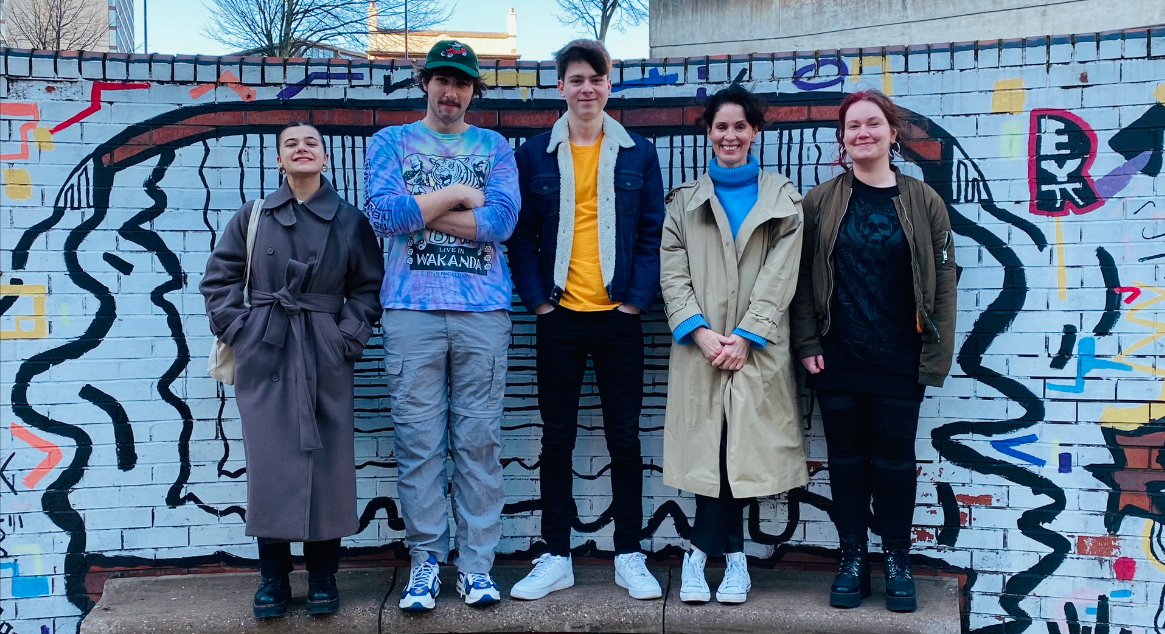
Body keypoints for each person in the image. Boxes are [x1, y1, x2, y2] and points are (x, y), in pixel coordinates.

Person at [201, 122, 385, 619]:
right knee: (269, 468)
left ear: (325, 158)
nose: (301, 149)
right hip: (267, 352)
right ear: (279, 160)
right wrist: (242, 331)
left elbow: (369, 288)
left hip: (324, 353)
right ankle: (273, 580)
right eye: (291, 144)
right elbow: (219, 279)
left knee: (328, 467)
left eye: (311, 143)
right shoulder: (252, 215)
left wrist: (345, 338)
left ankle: (325, 577)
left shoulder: (349, 220)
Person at [506, 39, 666, 601]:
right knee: (557, 438)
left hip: (620, 318)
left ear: (609, 83)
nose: (586, 89)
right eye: (576, 79)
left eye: (595, 78)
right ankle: (556, 554)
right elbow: (522, 236)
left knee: (625, 438)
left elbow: (652, 234)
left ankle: (629, 552)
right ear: (561, 87)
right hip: (560, 318)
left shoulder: (638, 153)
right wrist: (539, 303)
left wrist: (633, 303)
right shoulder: (533, 155)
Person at [363, 40, 520, 611]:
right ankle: (426, 563)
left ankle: (477, 568)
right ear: (425, 83)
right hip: (410, 313)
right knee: (419, 445)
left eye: (462, 82)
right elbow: (384, 216)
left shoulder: (495, 146)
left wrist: (423, 208)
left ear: (474, 90)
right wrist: (458, 193)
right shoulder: (390, 142)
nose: (450, 92)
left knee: (478, 444)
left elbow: (500, 223)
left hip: (482, 314)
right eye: (441, 80)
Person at [790, 89, 957, 612]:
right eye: (852, 126)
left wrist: (934, 355)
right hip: (836, 355)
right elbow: (799, 279)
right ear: (842, 138)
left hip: (899, 356)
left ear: (891, 132)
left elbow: (945, 281)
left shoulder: (923, 199)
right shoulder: (820, 200)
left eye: (872, 123)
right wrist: (808, 341)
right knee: (844, 461)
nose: (862, 132)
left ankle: (897, 559)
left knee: (893, 462)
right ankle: (852, 559)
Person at [659, 85, 808, 605]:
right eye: (721, 126)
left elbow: (781, 274)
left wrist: (746, 336)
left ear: (755, 132)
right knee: (710, 450)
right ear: (708, 132)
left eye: (739, 126)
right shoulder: (684, 203)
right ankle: (732, 556)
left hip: (758, 348)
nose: (730, 135)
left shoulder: (783, 201)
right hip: (698, 346)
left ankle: (702, 554)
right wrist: (700, 331)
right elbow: (672, 272)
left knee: (736, 453)